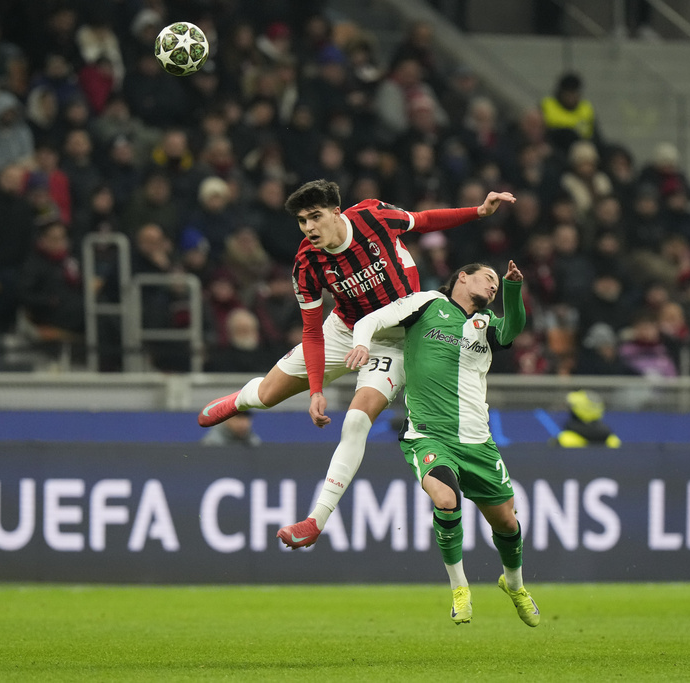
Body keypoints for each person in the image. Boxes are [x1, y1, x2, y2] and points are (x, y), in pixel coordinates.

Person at [197, 179, 516, 548]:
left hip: (396, 339)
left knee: (355, 421)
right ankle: (239, 400)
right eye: (302, 221)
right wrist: (316, 390)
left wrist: (477, 211)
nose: (309, 228)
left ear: (336, 212)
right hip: (343, 331)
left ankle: (314, 521)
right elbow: (312, 332)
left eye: (315, 217)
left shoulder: (372, 217)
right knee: (267, 395)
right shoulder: (306, 262)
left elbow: (424, 219)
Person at [344, 260, 539, 627]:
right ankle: (459, 588)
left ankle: (514, 585)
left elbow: (513, 327)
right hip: (430, 433)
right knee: (446, 500)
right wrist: (361, 345)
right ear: (462, 276)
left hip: (478, 441)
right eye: (489, 278)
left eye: (497, 284)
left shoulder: (486, 326)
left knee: (508, 524)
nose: (493, 285)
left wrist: (513, 289)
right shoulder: (427, 303)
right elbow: (370, 320)